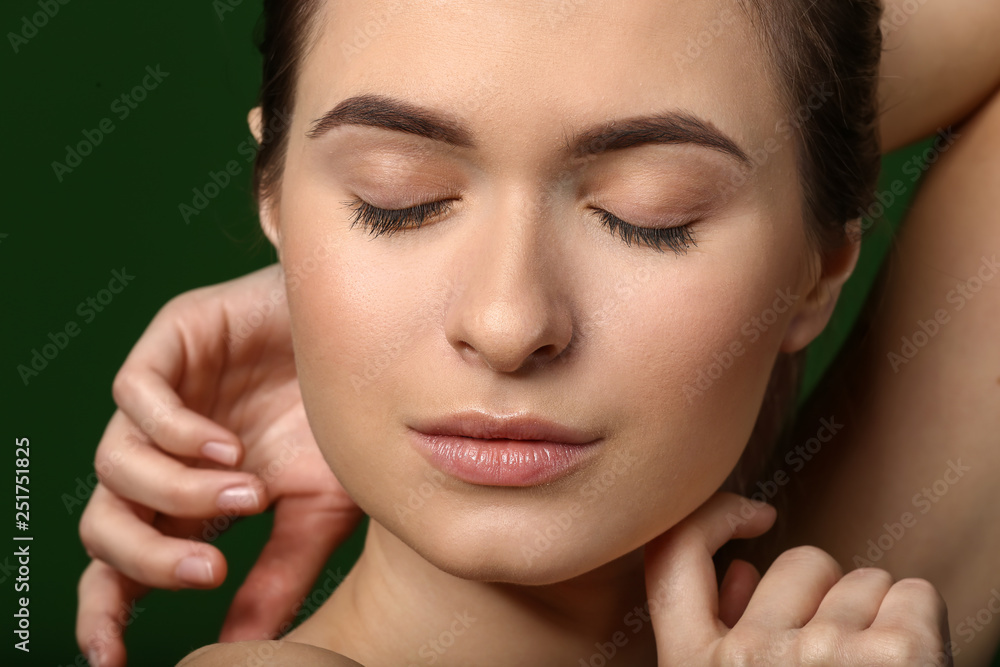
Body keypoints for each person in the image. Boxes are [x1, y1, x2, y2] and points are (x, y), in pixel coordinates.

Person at [76, 0, 1000, 664]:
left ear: (819, 267)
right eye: (398, 201)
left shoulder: (864, 623)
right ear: (274, 200)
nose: (507, 322)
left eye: (651, 214)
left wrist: (795, 126)